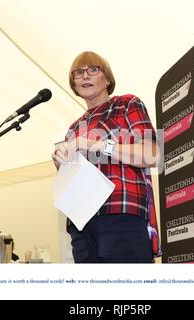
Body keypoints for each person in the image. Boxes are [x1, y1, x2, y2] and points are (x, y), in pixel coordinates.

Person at [52, 51, 161, 263]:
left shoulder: (127, 104)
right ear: (74, 84)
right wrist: (60, 161)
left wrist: (96, 144)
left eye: (93, 70)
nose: (85, 76)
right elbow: (72, 177)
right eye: (78, 73)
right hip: (81, 223)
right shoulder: (73, 128)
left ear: (107, 79)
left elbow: (153, 154)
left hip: (121, 213)